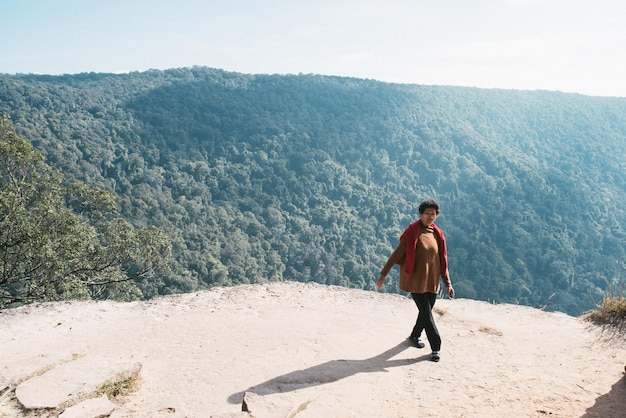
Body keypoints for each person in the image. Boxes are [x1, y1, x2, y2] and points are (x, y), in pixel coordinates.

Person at [376, 199, 454, 362]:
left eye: (433, 214)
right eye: (427, 213)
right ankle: (436, 347)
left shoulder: (437, 234)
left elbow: (442, 260)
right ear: (421, 214)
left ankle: (414, 335)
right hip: (415, 281)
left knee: (425, 312)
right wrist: (383, 274)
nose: (430, 216)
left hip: (432, 281)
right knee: (427, 314)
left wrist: (447, 284)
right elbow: (396, 254)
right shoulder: (412, 232)